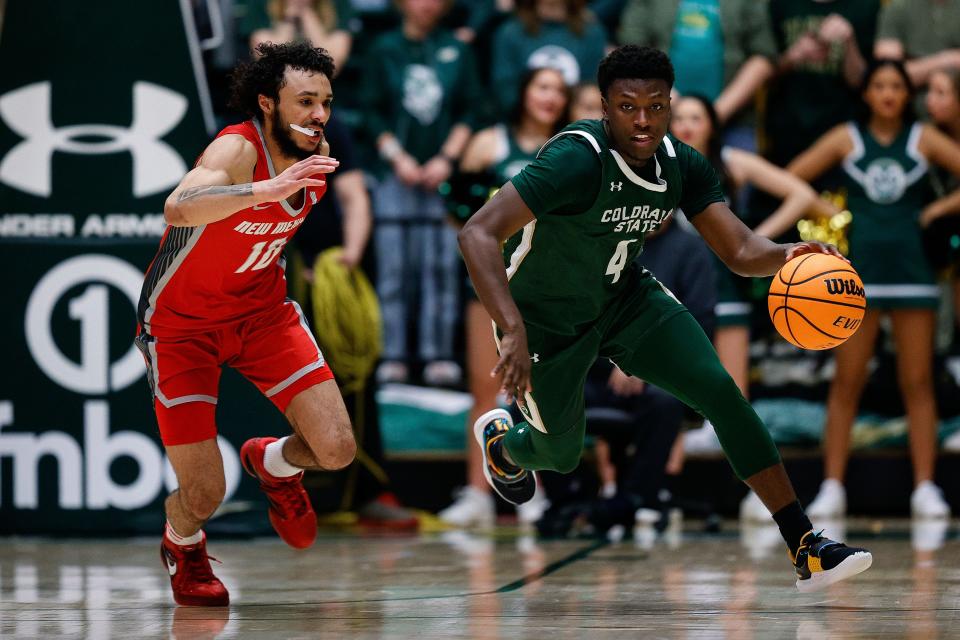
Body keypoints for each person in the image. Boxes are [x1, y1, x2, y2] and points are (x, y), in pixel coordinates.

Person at [459, 45, 872, 591]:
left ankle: (804, 545)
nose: (643, 119)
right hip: (543, 319)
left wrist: (789, 255)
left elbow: (741, 251)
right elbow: (477, 233)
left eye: (656, 106)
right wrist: (510, 327)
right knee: (558, 454)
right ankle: (504, 447)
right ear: (604, 107)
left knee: (720, 392)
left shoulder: (683, 163)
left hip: (624, 297)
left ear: (670, 105)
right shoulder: (575, 157)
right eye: (628, 106)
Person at [136, 41, 357, 606]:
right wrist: (266, 190)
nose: (318, 115)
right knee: (205, 492)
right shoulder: (237, 149)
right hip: (181, 327)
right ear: (267, 103)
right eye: (304, 101)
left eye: (325, 102)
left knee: (336, 448)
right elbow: (178, 208)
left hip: (260, 314)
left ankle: (274, 463)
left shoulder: (315, 148)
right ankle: (182, 541)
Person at [788, 59, 960, 520]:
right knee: (847, 381)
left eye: (897, 86)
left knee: (919, 382)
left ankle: (925, 487)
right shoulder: (848, 137)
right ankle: (832, 487)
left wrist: (938, 210)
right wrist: (826, 208)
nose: (888, 93)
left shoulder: (923, 139)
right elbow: (794, 174)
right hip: (854, 277)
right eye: (879, 85)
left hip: (913, 272)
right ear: (866, 93)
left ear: (908, 95)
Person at [668, 94, 839, 520]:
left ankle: (758, 498)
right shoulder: (659, 163)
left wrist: (753, 239)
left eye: (697, 117)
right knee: (667, 392)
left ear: (712, 124)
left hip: (725, 285)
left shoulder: (733, 162)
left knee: (731, 403)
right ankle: (661, 490)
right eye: (681, 117)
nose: (688, 124)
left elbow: (800, 193)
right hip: (672, 289)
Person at [439, 67, 570, 527]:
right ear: (524, 92)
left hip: (546, 287)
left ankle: (533, 488)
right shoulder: (488, 143)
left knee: (537, 388)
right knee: (484, 386)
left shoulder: (572, 147)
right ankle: (477, 492)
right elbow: (457, 205)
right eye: (542, 86)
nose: (550, 97)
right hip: (492, 284)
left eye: (559, 90)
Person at [363, 0, 483, 386]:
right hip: (394, 173)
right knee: (395, 267)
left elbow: (471, 110)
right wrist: (397, 157)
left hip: (443, 175)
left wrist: (447, 158)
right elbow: (371, 111)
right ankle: (393, 353)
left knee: (441, 268)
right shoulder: (384, 49)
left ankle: (439, 355)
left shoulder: (457, 50)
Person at [617, 0, 777, 150]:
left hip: (733, 121)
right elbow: (629, 50)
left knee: (732, 175)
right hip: (654, 118)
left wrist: (714, 114)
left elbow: (763, 57)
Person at [764, 0, 879, 169]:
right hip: (788, 127)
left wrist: (849, 42)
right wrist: (793, 56)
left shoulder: (866, 6)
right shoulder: (779, 4)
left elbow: (865, 83)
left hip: (844, 127)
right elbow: (764, 76)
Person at [491, 0, 607, 116]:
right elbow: (505, 91)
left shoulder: (592, 33)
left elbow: (591, 90)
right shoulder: (510, 32)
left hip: (573, 123)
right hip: (521, 124)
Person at [249, 0, 356, 73]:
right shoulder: (262, 5)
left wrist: (308, 16)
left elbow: (332, 66)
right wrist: (289, 19)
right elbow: (270, 64)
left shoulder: (337, 5)